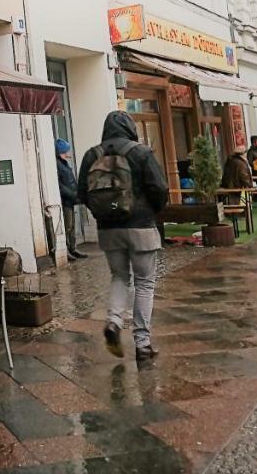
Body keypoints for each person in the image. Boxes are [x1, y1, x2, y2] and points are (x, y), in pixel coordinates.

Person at [78, 111, 169, 362]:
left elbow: (82, 193)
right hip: (141, 227)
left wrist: (103, 213)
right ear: (130, 128)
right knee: (144, 283)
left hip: (108, 230)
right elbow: (159, 188)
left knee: (119, 276)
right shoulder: (141, 153)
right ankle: (142, 343)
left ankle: (114, 321)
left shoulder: (92, 155)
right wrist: (151, 211)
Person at [55, 139, 87, 260]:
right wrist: (73, 195)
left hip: (71, 199)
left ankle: (73, 249)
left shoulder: (64, 163)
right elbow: (60, 185)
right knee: (67, 226)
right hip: (66, 200)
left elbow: (70, 181)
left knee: (71, 226)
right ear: (62, 151)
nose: (69, 152)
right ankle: (67, 250)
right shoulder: (58, 164)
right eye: (67, 149)